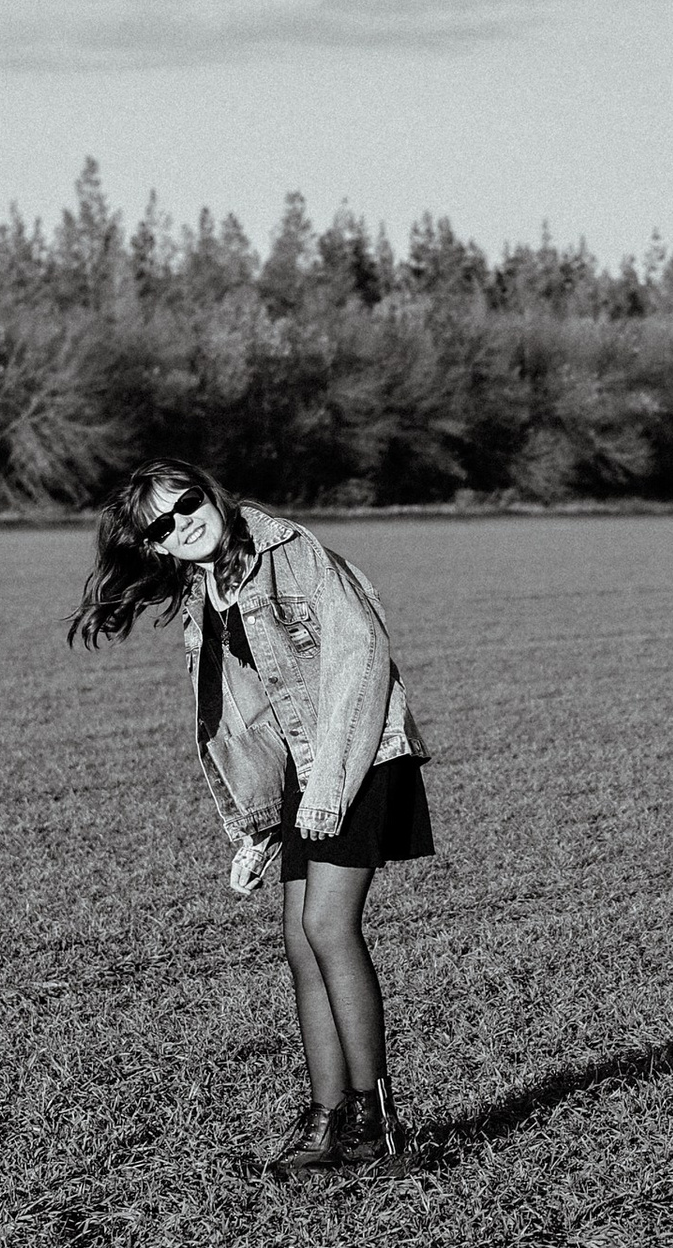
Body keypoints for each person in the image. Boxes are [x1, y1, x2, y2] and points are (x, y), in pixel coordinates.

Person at [69, 462, 433, 1173]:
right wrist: (264, 821)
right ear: (154, 545)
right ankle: (329, 1122)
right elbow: (250, 715)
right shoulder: (208, 588)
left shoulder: (288, 550)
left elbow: (362, 656)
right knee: (301, 940)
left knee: (328, 926)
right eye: (162, 524)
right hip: (305, 764)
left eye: (189, 503)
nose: (183, 523)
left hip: (359, 752)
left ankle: (379, 1128)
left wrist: (328, 790)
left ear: (212, 492)